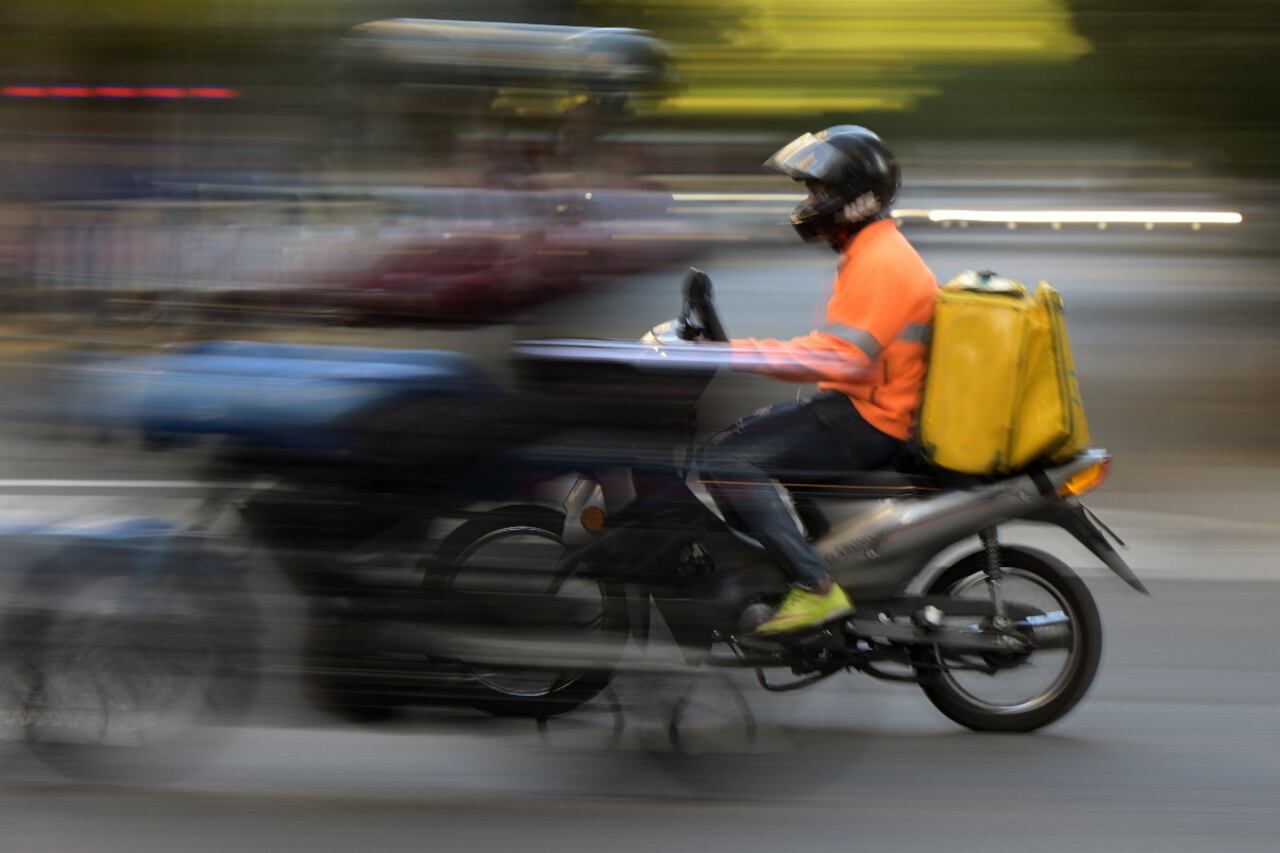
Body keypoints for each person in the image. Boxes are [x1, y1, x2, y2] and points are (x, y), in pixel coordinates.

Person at [697, 125, 937, 636]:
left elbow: (837, 357)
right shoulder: (874, 251)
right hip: (859, 405)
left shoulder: (882, 262)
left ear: (854, 197)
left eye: (819, 190)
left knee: (726, 460)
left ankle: (814, 587)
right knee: (731, 446)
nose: (810, 201)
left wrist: (734, 353)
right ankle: (774, 571)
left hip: (868, 419)